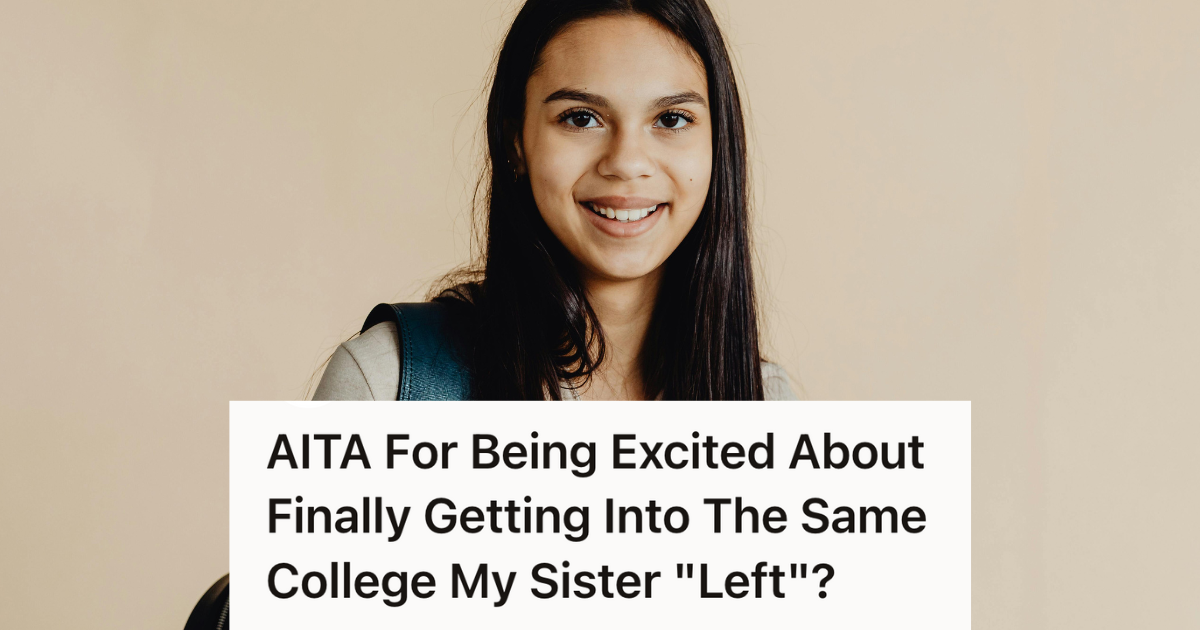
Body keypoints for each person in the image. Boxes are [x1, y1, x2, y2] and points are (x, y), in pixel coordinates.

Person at [314, 0, 795, 401]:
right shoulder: (388, 383)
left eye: (671, 120)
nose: (627, 163)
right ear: (514, 144)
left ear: (719, 143)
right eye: (582, 118)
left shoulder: (769, 404)